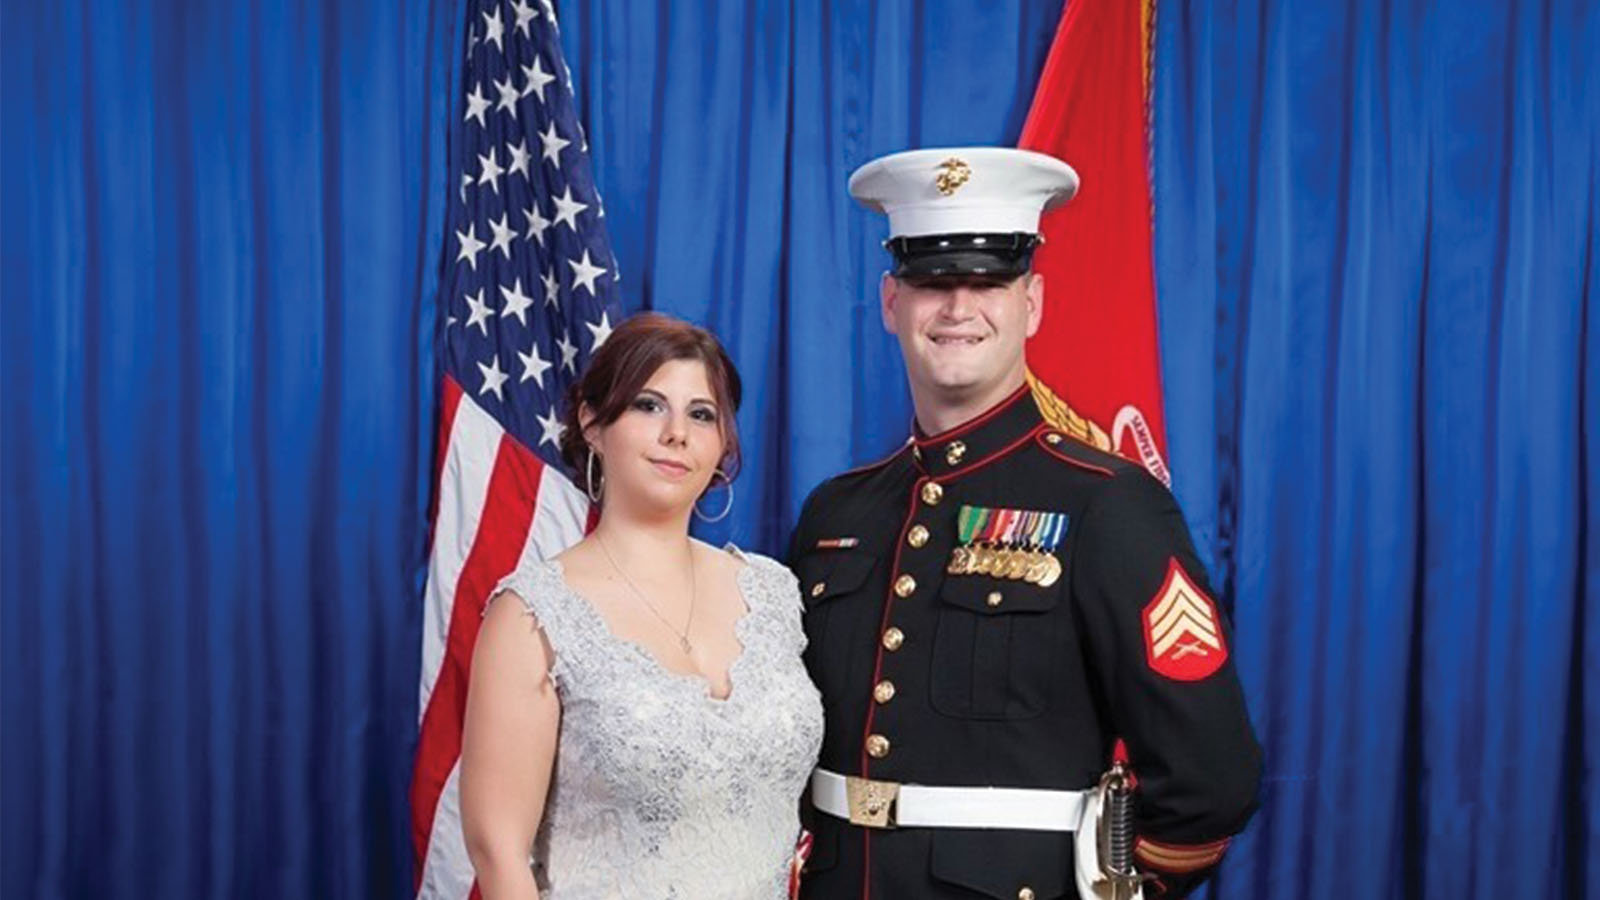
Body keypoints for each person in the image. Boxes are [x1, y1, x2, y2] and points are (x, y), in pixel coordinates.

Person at [789, 148, 1263, 900]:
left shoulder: (1108, 503)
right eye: (931, 283)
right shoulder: (836, 515)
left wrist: (1112, 885)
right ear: (889, 301)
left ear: (1032, 303)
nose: (957, 308)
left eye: (987, 282)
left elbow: (1211, 773)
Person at [461, 312, 824, 899]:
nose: (676, 433)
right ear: (592, 423)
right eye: (649, 406)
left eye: (701, 414)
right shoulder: (533, 615)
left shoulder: (773, 593)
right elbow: (498, 853)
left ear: (721, 443)